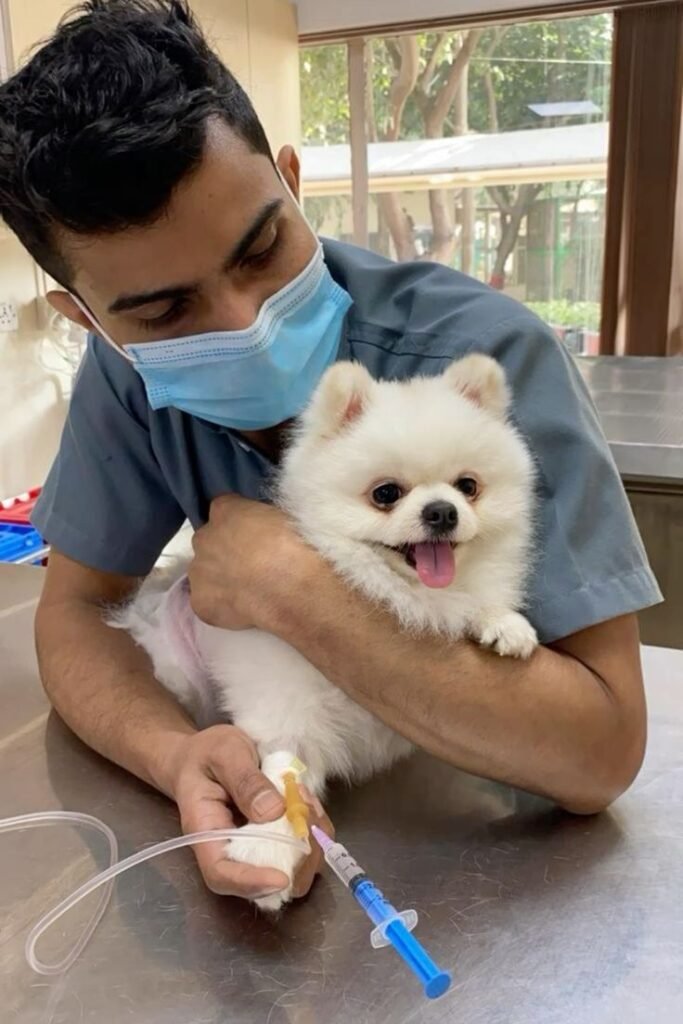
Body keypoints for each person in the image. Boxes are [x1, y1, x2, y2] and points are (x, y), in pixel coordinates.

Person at [0, 1, 661, 905]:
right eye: (164, 312)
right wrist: (180, 753)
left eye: (262, 247)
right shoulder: (129, 378)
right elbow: (74, 610)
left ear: (291, 179)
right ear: (90, 321)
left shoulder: (486, 357)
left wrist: (296, 590)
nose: (247, 322)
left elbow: (600, 753)